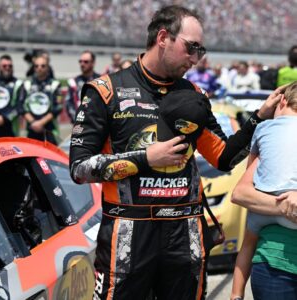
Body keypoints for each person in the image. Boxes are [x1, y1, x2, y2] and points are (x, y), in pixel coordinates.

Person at [69, 5, 280, 300]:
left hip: (184, 233)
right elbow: (79, 168)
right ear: (163, 37)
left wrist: (258, 117)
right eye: (191, 48)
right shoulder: (106, 91)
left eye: (201, 51)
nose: (195, 59)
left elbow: (223, 158)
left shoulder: (194, 95)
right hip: (129, 231)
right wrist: (145, 159)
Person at [230, 81, 297, 300]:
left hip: (270, 259)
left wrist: (236, 294)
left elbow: (246, 192)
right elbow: (241, 193)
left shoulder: (264, 129)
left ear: (282, 101)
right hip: (274, 261)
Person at [19, 55, 63, 145]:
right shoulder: (27, 84)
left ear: (47, 68)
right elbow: (20, 106)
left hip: (50, 130)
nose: (39, 68)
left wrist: (41, 123)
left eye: (43, 66)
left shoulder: (55, 84)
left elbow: (58, 106)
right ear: (34, 68)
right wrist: (33, 122)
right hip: (32, 129)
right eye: (36, 66)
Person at [66, 50, 100, 123]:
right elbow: (69, 104)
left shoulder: (101, 81)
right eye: (80, 61)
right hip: (78, 124)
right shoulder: (73, 82)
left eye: (86, 61)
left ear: (93, 63)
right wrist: (77, 119)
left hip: (97, 124)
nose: (82, 64)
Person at [0, 54, 23, 137]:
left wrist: (4, 118)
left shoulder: (18, 84)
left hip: (10, 130)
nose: (7, 68)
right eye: (4, 66)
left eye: (10, 66)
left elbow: (19, 107)